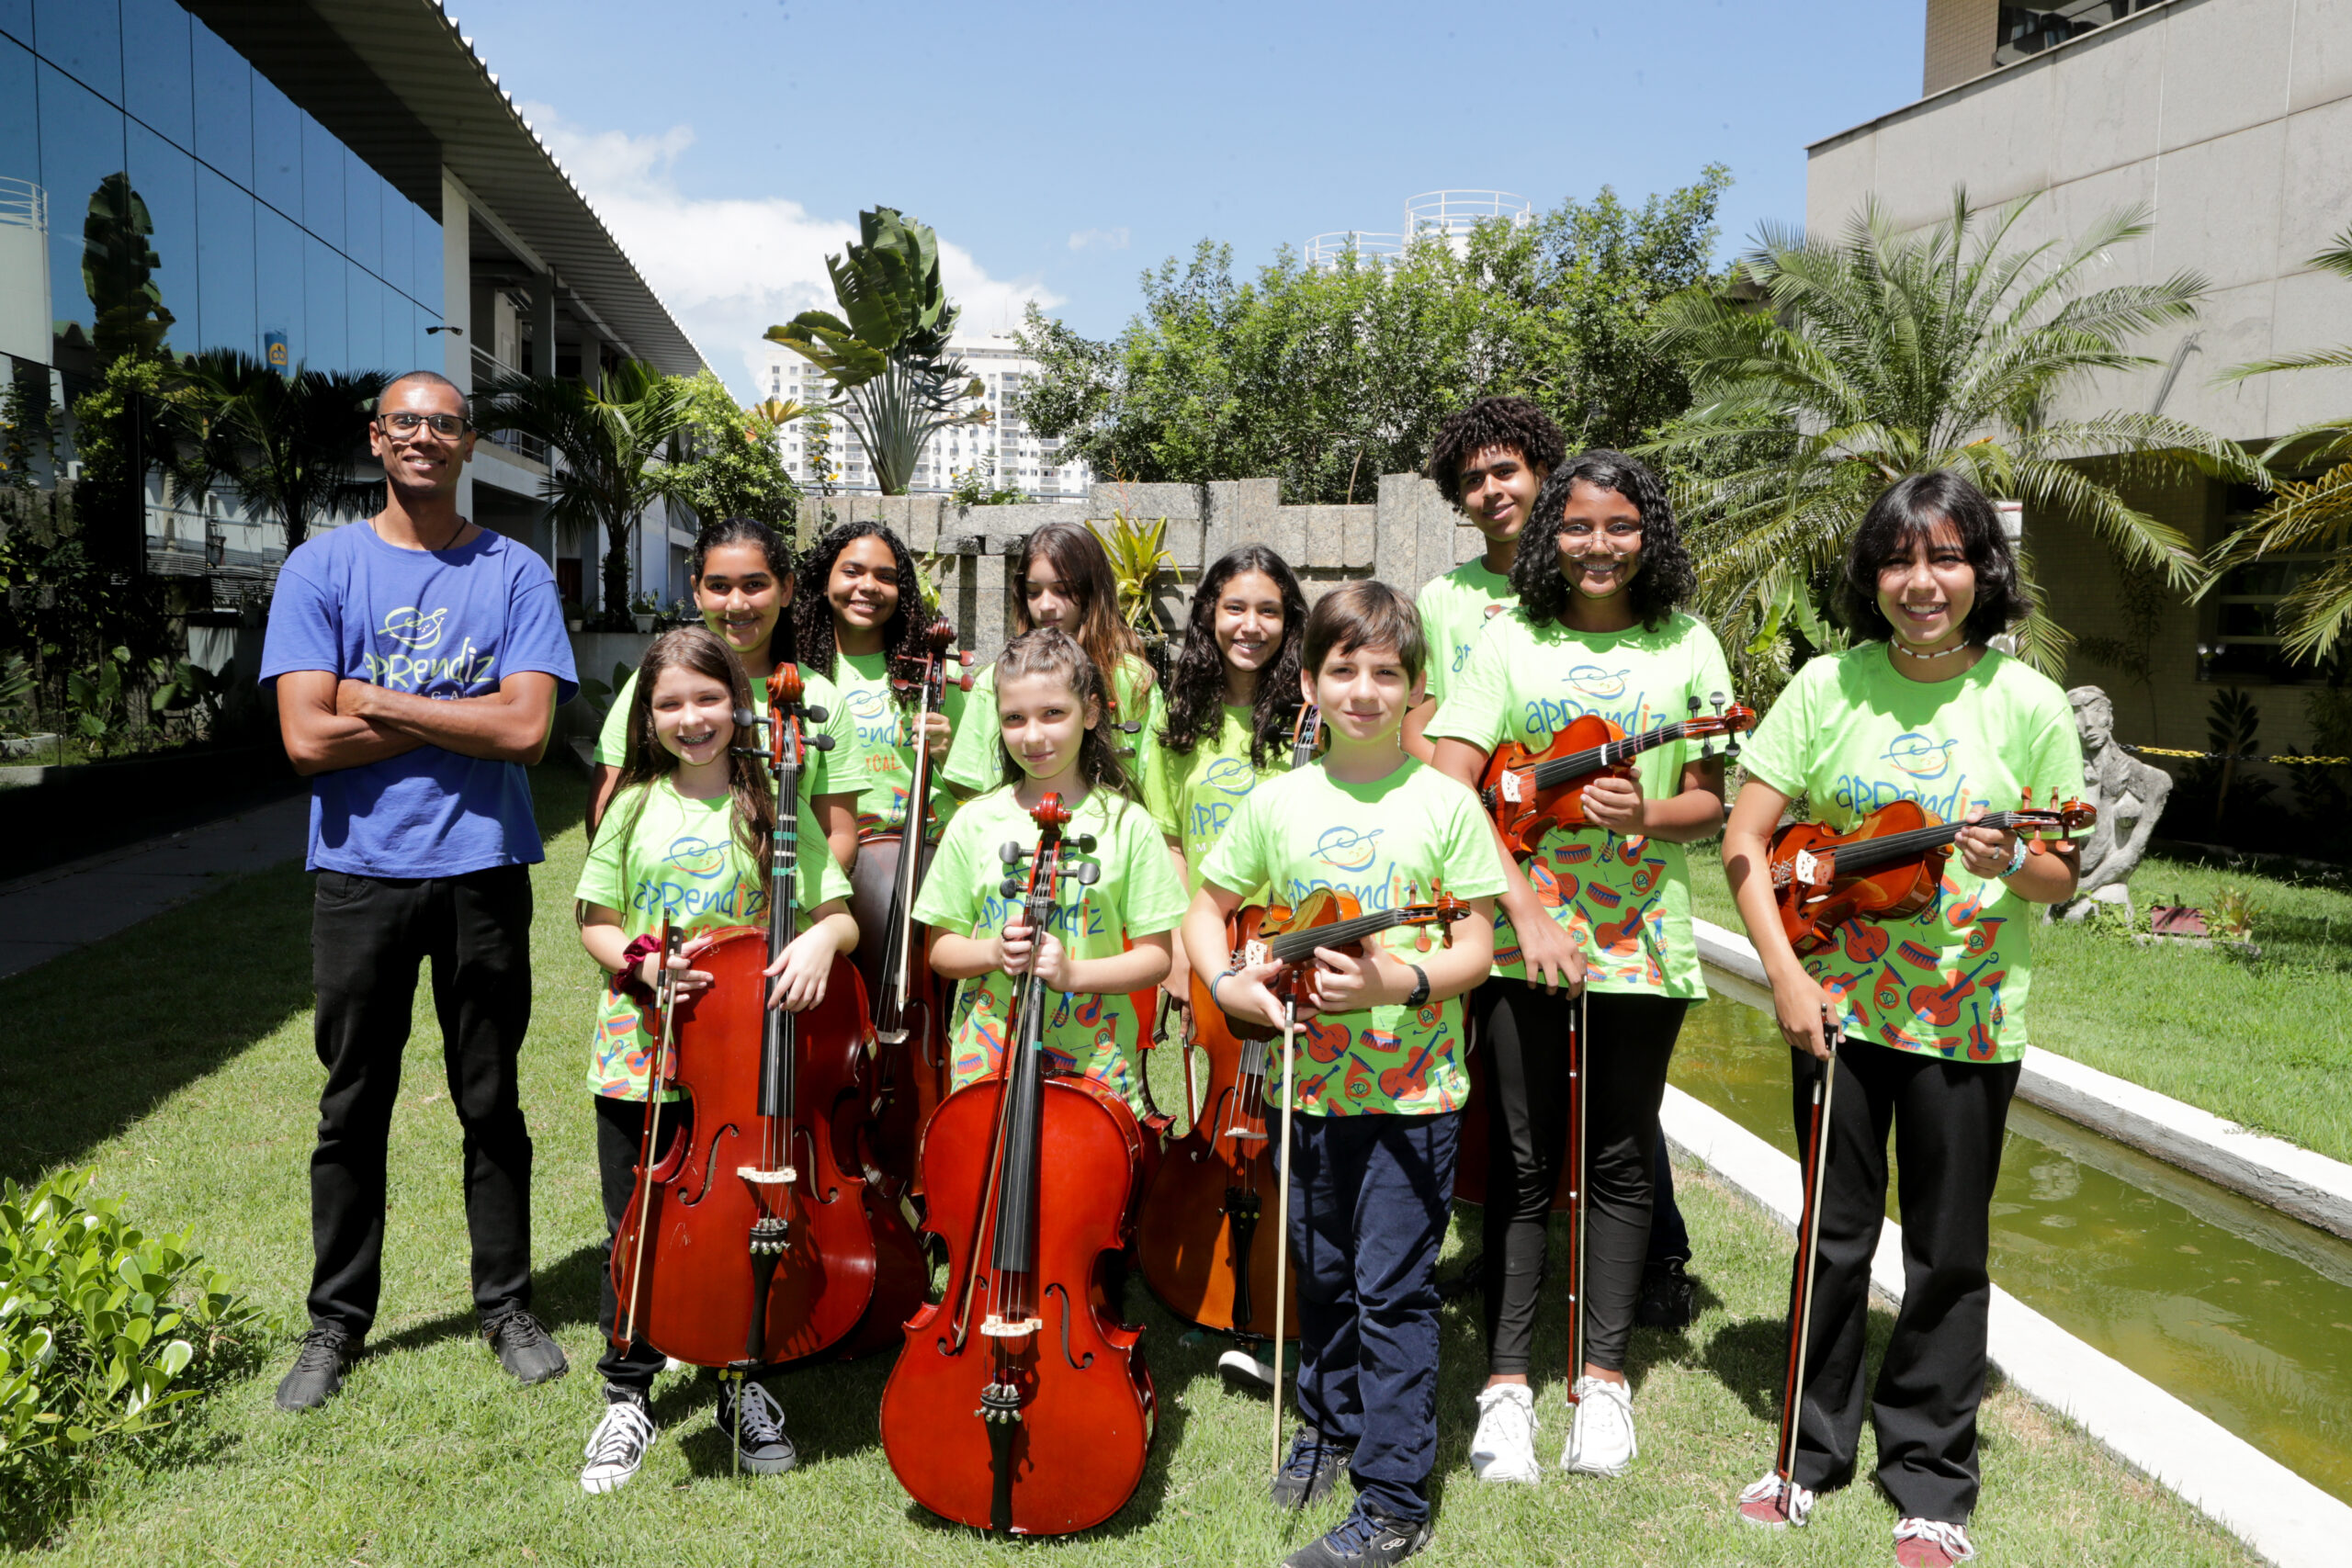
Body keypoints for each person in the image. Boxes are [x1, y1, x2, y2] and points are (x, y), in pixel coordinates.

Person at [1722, 472, 2084, 1568]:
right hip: (1838, 1010)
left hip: (1968, 1020)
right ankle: (1807, 1452)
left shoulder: (2028, 705)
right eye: (1897, 560)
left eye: (1944, 558)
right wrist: (1783, 975)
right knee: (1830, 1238)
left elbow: (2058, 876)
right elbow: (1745, 844)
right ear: (1870, 576)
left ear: (1983, 570)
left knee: (1946, 1250)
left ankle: (1930, 1476)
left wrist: (2013, 857)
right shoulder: (1826, 686)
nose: (1920, 583)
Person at [261, 369, 577, 1411]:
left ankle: (508, 1306)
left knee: (491, 1100)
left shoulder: (516, 570)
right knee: (354, 1102)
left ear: (468, 443)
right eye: (408, 423)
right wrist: (457, 710)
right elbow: (306, 739)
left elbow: (527, 733)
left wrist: (373, 697)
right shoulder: (323, 567)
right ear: (378, 438)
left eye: (444, 425)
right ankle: (335, 1323)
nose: (426, 439)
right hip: (359, 872)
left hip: (483, 865)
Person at [1428, 450, 1733, 1484]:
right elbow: (1452, 788)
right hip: (1520, 939)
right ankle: (1505, 1388)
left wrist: (1645, 812)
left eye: (1621, 525)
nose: (1598, 546)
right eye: (1578, 526)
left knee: (1614, 1158)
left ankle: (1600, 1385)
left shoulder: (1687, 642)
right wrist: (1524, 912)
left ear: (1650, 534)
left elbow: (1709, 802)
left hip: (1642, 936)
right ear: (1550, 531)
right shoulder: (1510, 638)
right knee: (1518, 1161)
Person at [1186, 582, 1503, 1568]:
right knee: (1320, 1273)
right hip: (1304, 1091)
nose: (1363, 691)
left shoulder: (1446, 804)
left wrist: (1397, 979)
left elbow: (1476, 946)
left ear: (1416, 693)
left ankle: (1395, 1498)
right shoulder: (1277, 802)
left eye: (1385, 675)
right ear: (1310, 685)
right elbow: (1208, 908)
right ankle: (1325, 1424)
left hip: (1414, 1100)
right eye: (1342, 670)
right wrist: (1228, 981)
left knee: (1391, 1293)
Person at [572, 628, 857, 1492]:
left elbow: (838, 914)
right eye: (669, 704)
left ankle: (740, 1378)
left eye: (706, 699)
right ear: (647, 716)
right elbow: (595, 919)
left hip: (742, 1066)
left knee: (738, 1226)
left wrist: (819, 943)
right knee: (639, 1226)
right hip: (640, 1057)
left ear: (737, 705)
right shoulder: (631, 805)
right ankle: (629, 1387)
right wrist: (643, 964)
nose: (690, 718)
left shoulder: (770, 806)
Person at [1142, 543, 1310, 1386]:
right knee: (1227, 1107)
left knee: (1297, 1116)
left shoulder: (1309, 718)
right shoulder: (1177, 713)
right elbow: (1168, 836)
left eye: (1270, 611)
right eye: (1235, 607)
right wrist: (1180, 945)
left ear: (1290, 623)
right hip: (1214, 940)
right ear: (1209, 613)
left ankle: (1298, 1281)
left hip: (1292, 940)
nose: (1251, 626)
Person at [915, 627, 1187, 1115]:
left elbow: (1156, 959)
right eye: (1014, 719)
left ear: (1092, 712)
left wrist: (1071, 972)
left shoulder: (1129, 823)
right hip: (989, 1055)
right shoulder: (974, 820)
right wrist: (994, 951)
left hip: (1096, 1063)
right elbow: (941, 949)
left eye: (1053, 714)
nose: (1033, 735)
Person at [586, 516, 857, 870]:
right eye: (719, 586)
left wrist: (788, 907)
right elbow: (607, 815)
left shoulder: (820, 695)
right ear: (697, 593)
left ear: (787, 589)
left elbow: (838, 832)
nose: (737, 604)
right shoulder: (653, 684)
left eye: (754, 584)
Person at [940, 520, 1164, 800]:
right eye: (1033, 592)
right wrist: (941, 753)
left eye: (1062, 590)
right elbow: (969, 785)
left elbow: (1156, 789)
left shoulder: (1133, 679)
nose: (1045, 605)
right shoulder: (995, 679)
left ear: (1091, 592)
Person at [1403, 395, 1565, 762]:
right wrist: (1467, 792)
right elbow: (1415, 729)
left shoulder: (1581, 588)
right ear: (1459, 496)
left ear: (1541, 474)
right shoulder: (1438, 597)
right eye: (1474, 480)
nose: (1490, 489)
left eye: (1505, 472)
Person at [787, 519, 964, 839]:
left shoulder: (937, 672)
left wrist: (947, 754)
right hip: (824, 852)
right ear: (825, 580)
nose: (869, 586)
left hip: (923, 853)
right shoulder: (793, 675)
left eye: (885, 577)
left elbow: (977, 788)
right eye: (852, 572)